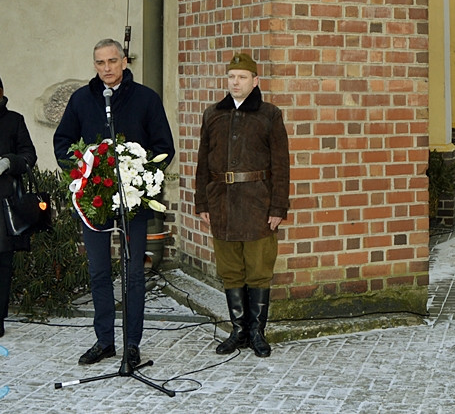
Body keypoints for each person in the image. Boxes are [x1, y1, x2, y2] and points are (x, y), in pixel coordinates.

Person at [53, 39, 175, 368]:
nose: (106, 68)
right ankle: (105, 340)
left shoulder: (146, 99)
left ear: (123, 61)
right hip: (94, 201)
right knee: (99, 270)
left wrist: (141, 177)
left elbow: (164, 146)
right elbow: (62, 141)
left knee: (134, 273)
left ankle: (131, 344)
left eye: (112, 61)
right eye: (100, 62)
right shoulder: (81, 100)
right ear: (94, 66)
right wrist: (82, 173)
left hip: (133, 201)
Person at [195, 52, 291, 358]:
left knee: (259, 270)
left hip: (257, 205)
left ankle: (256, 332)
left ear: (255, 81)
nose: (236, 83)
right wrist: (202, 202)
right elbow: (201, 163)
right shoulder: (213, 115)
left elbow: (281, 165)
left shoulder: (269, 115)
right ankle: (238, 331)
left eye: (243, 77)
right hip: (221, 204)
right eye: (232, 77)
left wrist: (278, 207)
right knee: (231, 270)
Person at [0, 75, 37, 337]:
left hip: (3, 205)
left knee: (2, 263)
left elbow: (29, 156)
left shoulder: (14, 120)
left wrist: (8, 162)